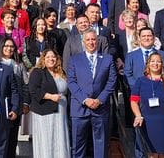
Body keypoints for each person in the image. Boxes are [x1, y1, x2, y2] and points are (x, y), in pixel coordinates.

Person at [67, 29, 117, 158]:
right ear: (83, 42)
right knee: (78, 147)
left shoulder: (108, 59)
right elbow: (71, 82)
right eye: (88, 40)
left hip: (100, 108)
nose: (91, 42)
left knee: (101, 146)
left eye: (93, 39)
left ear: (98, 41)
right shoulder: (74, 59)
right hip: (79, 108)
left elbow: (111, 82)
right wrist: (85, 99)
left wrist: (99, 100)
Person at [131, 52, 164, 157]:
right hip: (148, 124)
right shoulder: (140, 81)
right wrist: (138, 115)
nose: (155, 64)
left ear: (162, 64)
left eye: (158, 61)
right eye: (152, 61)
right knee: (151, 154)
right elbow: (134, 101)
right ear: (148, 64)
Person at [29, 49, 70, 157]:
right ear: (43, 59)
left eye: (53, 57)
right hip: (44, 112)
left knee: (60, 138)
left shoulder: (61, 72)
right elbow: (33, 90)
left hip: (61, 112)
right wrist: (51, 96)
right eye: (48, 57)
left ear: (57, 59)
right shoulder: (37, 72)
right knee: (47, 140)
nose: (51, 59)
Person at [0, 38, 30, 158]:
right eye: (6, 46)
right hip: (0, 106)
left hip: (16, 105)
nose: (9, 48)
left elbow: (26, 85)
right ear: (1, 47)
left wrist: (26, 103)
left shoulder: (19, 65)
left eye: (11, 47)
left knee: (12, 137)